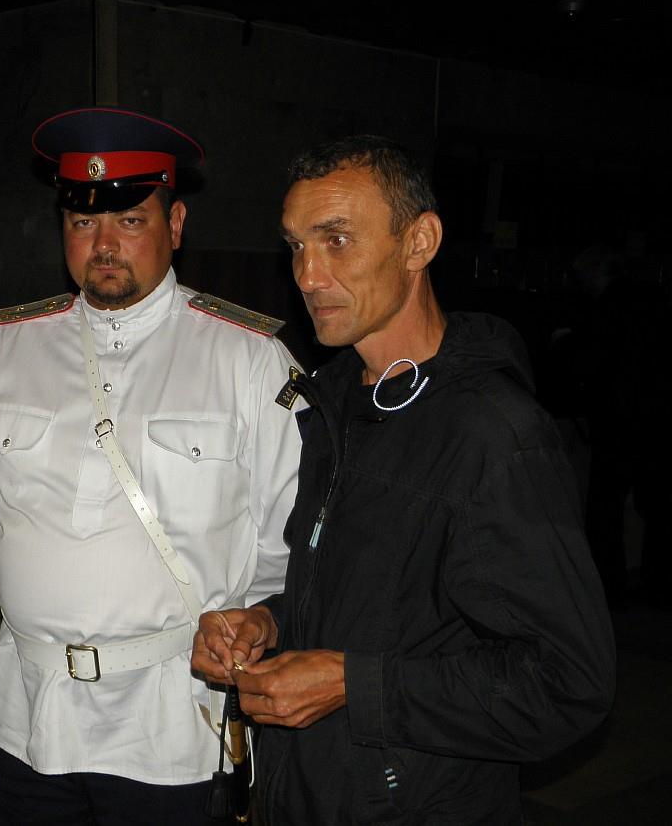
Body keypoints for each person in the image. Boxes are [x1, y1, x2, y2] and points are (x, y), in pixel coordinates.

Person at [192, 136, 616, 824]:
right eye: (296, 246)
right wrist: (270, 622)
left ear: (419, 242)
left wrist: (354, 686)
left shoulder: (494, 435)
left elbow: (569, 684)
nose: (307, 275)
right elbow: (372, 604)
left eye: (337, 240)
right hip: (310, 795)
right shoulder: (336, 406)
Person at [0, 107, 303, 824]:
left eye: (130, 220)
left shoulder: (248, 358)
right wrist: (47, 562)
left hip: (172, 719)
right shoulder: (10, 347)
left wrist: (249, 615)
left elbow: (290, 529)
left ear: (176, 224)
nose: (103, 244)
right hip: (32, 715)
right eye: (82, 222)